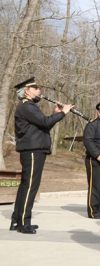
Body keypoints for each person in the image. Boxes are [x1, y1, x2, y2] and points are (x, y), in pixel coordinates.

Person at [9, 77, 72, 234]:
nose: (39, 91)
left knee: (26, 185)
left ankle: (17, 220)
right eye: (36, 88)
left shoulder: (29, 106)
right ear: (27, 91)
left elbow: (41, 125)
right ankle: (24, 223)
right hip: (32, 150)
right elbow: (44, 122)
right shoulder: (27, 106)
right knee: (30, 186)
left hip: (34, 148)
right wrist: (62, 113)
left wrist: (55, 114)